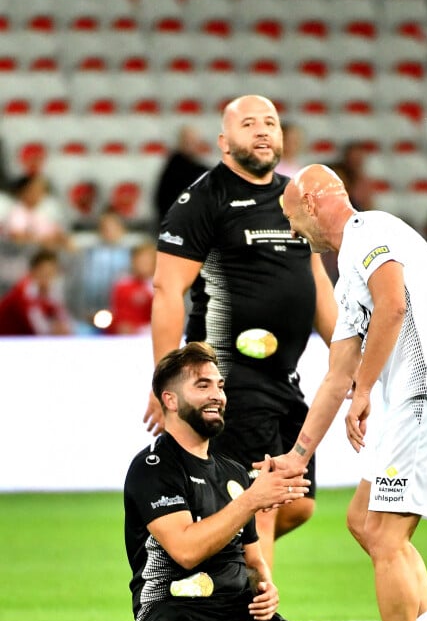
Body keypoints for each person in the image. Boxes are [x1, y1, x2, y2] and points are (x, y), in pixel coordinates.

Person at [268, 164, 427, 621]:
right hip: (422, 400)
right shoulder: (348, 269)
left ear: (314, 203)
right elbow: (337, 374)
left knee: (386, 537)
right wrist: (297, 456)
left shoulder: (371, 233)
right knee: (363, 521)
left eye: (293, 219)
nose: (295, 233)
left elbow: (393, 304)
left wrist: (365, 393)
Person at [79, 342, 353, 621]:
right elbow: (186, 550)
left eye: (220, 386)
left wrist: (265, 587)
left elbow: (253, 561)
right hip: (177, 612)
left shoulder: (234, 472)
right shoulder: (153, 468)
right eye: (203, 386)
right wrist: (253, 499)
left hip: (239, 617)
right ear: (171, 400)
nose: (218, 395)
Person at [143, 94, 337, 567]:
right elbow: (168, 292)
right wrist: (164, 382)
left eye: (270, 121)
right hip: (230, 377)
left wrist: (348, 358)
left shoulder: (296, 199)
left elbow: (318, 284)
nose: (263, 130)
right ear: (224, 141)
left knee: (298, 504)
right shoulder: (204, 201)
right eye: (249, 123)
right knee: (264, 502)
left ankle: (219, 563)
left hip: (285, 380)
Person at [0, 247, 73, 336]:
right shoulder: (23, 292)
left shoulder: (49, 292)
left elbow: (65, 320)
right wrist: (58, 328)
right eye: (44, 273)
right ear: (33, 272)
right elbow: (41, 330)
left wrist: (63, 326)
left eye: (52, 273)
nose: (48, 278)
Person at [154, 124, 210, 225]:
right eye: (188, 141)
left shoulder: (197, 167)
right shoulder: (175, 167)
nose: (192, 144)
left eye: (194, 141)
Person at [1, 174, 71, 251]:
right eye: (34, 190)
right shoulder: (16, 213)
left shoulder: (44, 210)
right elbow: (18, 239)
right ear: (23, 192)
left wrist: (61, 238)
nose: (38, 194)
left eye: (40, 191)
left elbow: (57, 232)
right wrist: (43, 240)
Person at [107, 242, 156, 335]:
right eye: (140, 260)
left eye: (146, 261)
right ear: (133, 261)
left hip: (148, 334)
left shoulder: (157, 286)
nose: (142, 265)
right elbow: (115, 311)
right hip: (122, 334)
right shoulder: (122, 283)